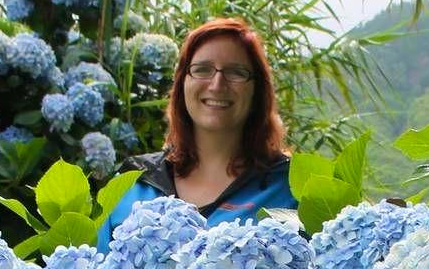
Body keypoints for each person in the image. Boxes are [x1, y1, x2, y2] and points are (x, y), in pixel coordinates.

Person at [96, 17, 297, 250]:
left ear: (257, 90)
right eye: (202, 69)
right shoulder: (133, 182)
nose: (217, 84)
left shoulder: (289, 186)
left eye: (236, 72)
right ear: (182, 84)